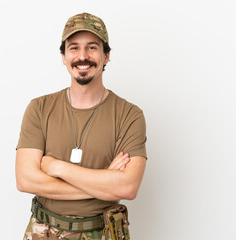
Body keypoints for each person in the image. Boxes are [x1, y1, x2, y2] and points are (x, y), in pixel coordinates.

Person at [15, 12, 147, 240]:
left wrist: (57, 167)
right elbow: (26, 180)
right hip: (43, 232)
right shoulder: (39, 108)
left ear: (106, 56)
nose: (82, 56)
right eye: (74, 48)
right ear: (63, 56)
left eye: (92, 47)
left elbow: (127, 187)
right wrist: (104, 181)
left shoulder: (129, 115)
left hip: (102, 234)